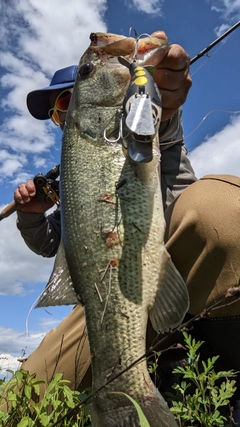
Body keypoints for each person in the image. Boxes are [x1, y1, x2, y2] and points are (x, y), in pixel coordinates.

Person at [14, 30, 240, 417]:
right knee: (18, 402)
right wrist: (30, 217)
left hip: (177, 278)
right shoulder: (73, 176)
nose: (65, 112)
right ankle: (121, 390)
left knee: (221, 210)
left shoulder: (144, 122)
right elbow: (56, 246)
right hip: (108, 305)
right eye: (58, 108)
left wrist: (163, 107)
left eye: (71, 93)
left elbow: (160, 131)